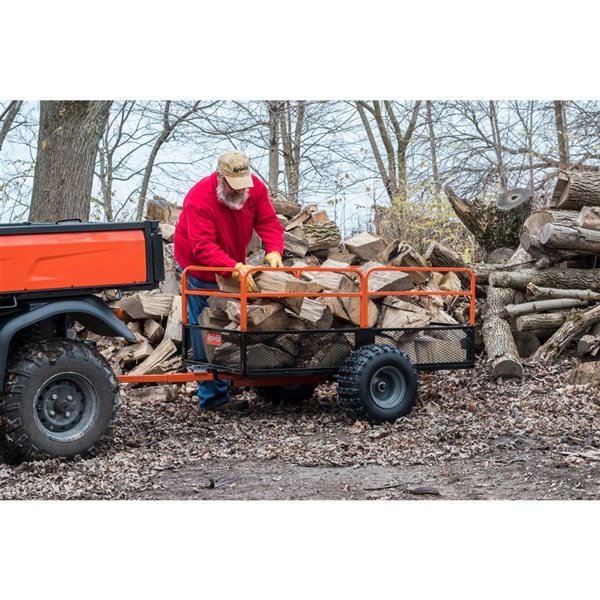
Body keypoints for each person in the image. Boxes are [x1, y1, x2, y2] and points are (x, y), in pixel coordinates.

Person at [174, 150, 284, 412]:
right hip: (199, 267)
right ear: (220, 178)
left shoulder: (254, 188)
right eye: (233, 187)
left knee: (234, 322)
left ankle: (233, 374)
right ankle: (212, 398)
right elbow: (202, 246)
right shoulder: (199, 198)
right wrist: (232, 267)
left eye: (243, 186)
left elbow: (268, 221)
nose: (240, 192)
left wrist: (274, 250)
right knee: (207, 326)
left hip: (233, 260)